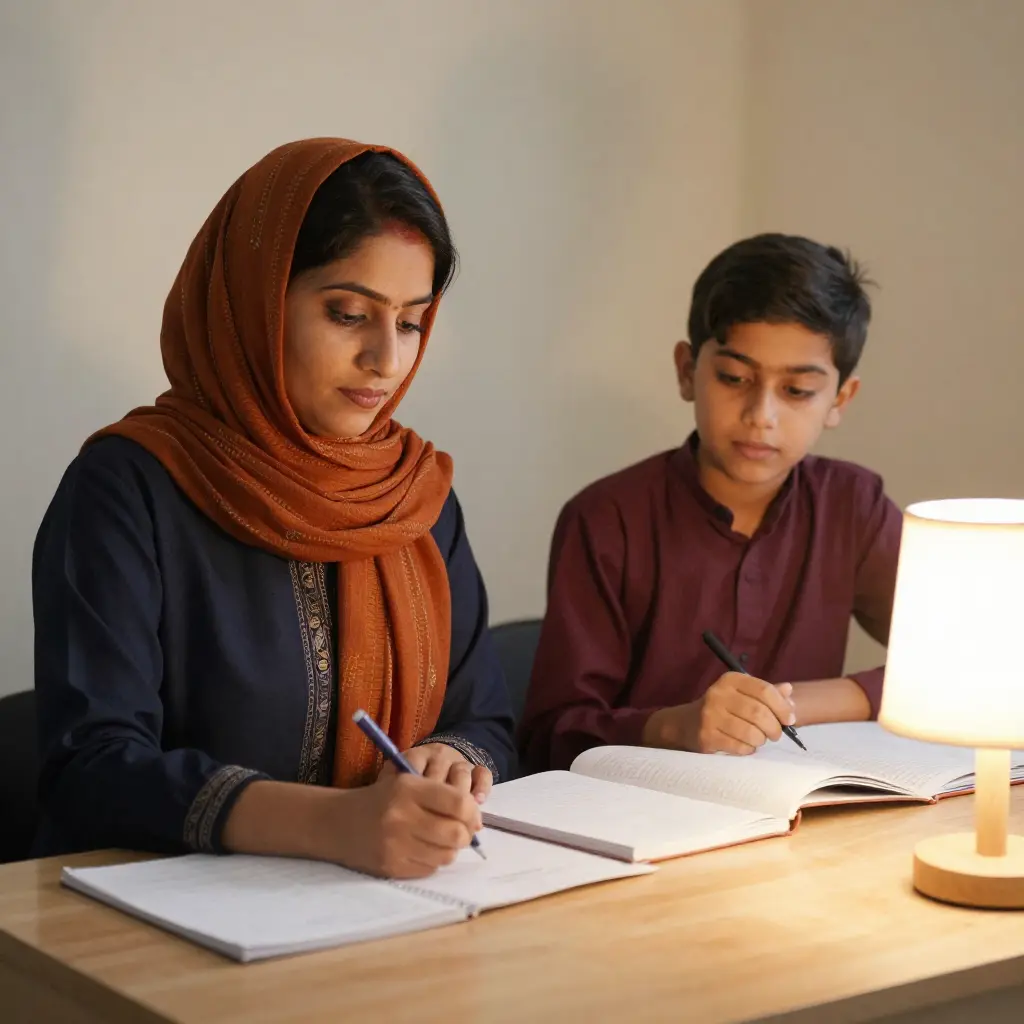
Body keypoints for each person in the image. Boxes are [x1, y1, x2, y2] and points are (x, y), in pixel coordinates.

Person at [32, 139, 515, 879]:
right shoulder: (129, 487)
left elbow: (485, 716)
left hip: (395, 913)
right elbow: (91, 770)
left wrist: (453, 760)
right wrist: (336, 823)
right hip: (162, 934)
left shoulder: (412, 492)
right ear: (256, 303)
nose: (388, 360)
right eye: (350, 314)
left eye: (412, 322)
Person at [519, 234, 901, 773]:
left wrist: (798, 704)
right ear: (686, 370)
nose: (761, 414)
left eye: (797, 391)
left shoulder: (853, 507)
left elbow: (968, 661)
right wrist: (675, 726)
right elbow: (549, 736)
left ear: (840, 400)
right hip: (640, 814)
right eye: (734, 378)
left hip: (799, 812)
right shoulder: (607, 519)